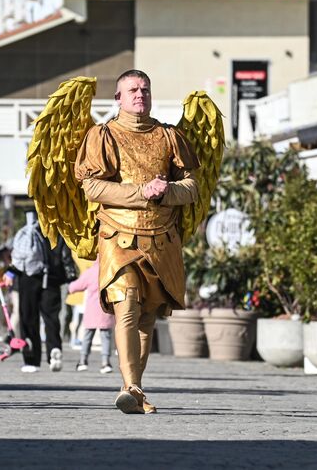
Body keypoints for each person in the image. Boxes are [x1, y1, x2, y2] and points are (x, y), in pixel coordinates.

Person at [74, 69, 199, 414]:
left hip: (161, 239)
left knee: (147, 318)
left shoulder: (170, 136)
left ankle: (135, 388)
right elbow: (93, 188)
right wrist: (141, 192)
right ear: (118, 98)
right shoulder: (102, 135)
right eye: (132, 90)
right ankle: (130, 385)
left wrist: (168, 191)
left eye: (145, 89)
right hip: (118, 236)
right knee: (126, 303)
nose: (140, 95)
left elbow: (193, 187)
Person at [3, 211, 77, 373]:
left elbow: (18, 256)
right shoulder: (58, 230)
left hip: (28, 277)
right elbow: (66, 255)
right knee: (51, 318)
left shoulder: (28, 230)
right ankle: (54, 350)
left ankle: (31, 359)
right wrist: (69, 274)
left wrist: (10, 272)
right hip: (52, 278)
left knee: (29, 318)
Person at [67, 256, 114, 374]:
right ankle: (105, 362)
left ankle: (83, 361)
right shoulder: (110, 270)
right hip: (106, 309)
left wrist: (69, 287)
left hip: (92, 310)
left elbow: (76, 286)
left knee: (87, 337)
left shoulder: (91, 272)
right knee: (106, 337)